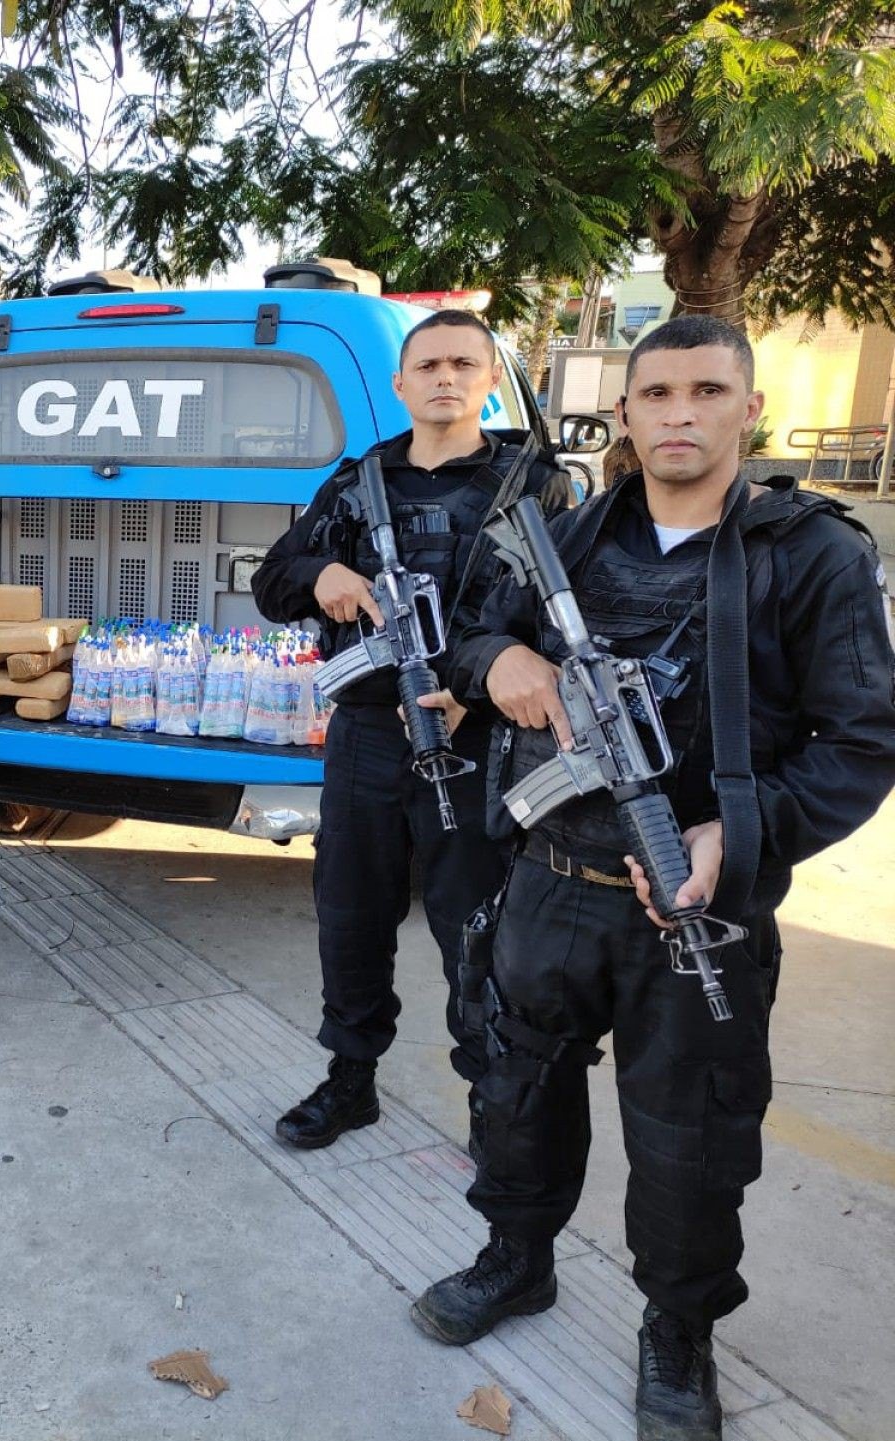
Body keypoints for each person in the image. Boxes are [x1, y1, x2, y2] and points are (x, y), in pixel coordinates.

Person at [412, 316, 895, 1440]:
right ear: (622, 414)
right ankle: (516, 1256)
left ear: (748, 409)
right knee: (514, 1088)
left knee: (689, 1137)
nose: (681, 413)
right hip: (546, 877)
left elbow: (864, 739)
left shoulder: (810, 553)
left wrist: (744, 832)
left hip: (691, 902)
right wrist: (503, 661)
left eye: (707, 392)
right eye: (658, 393)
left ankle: (677, 1330)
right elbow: (471, 634)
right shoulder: (569, 538)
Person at [251, 310, 572, 1151]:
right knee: (350, 912)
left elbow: (569, 612)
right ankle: (350, 1079)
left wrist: (482, 681)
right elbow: (272, 576)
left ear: (490, 379)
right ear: (400, 384)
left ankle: (490, 1097)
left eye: (465, 363)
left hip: (475, 739)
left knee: (475, 924)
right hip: (365, 734)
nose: (446, 377)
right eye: (428, 364)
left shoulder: (533, 484)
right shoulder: (361, 482)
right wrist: (322, 571)